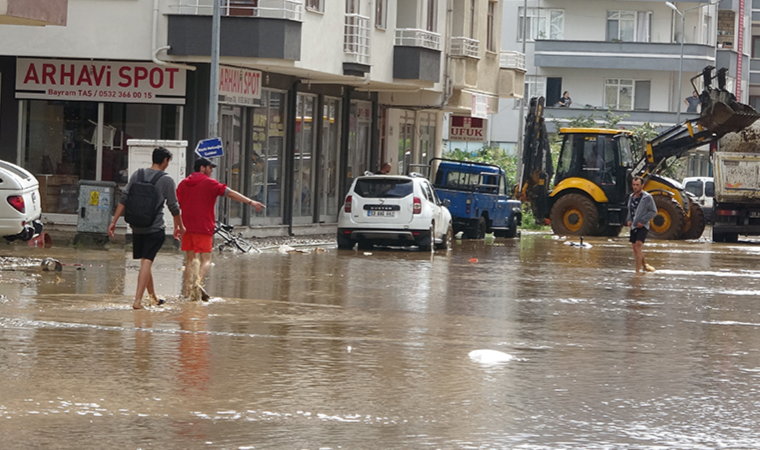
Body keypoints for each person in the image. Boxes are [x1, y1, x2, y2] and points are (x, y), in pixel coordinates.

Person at [176, 157, 265, 300]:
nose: (211, 171)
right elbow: (229, 193)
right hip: (204, 227)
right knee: (206, 260)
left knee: (190, 261)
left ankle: (187, 293)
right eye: (210, 168)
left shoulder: (183, 184)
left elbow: (177, 206)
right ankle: (197, 284)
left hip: (187, 227)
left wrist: (178, 226)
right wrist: (251, 202)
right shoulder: (209, 183)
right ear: (202, 168)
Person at [108, 147, 184, 309]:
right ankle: (137, 301)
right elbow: (173, 206)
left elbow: (124, 198)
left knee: (145, 261)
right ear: (165, 161)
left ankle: (153, 298)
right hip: (155, 228)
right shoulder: (166, 180)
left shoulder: (138, 174)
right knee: (147, 262)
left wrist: (114, 221)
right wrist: (180, 226)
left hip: (137, 226)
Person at [626, 176, 658, 273]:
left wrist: (643, 221)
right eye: (634, 185)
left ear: (642, 185)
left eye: (637, 185)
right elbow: (630, 210)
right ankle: (645, 265)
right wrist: (629, 220)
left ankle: (637, 272)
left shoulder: (647, 198)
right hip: (633, 226)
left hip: (643, 226)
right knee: (636, 249)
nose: (635, 187)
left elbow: (653, 211)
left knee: (638, 247)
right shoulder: (631, 197)